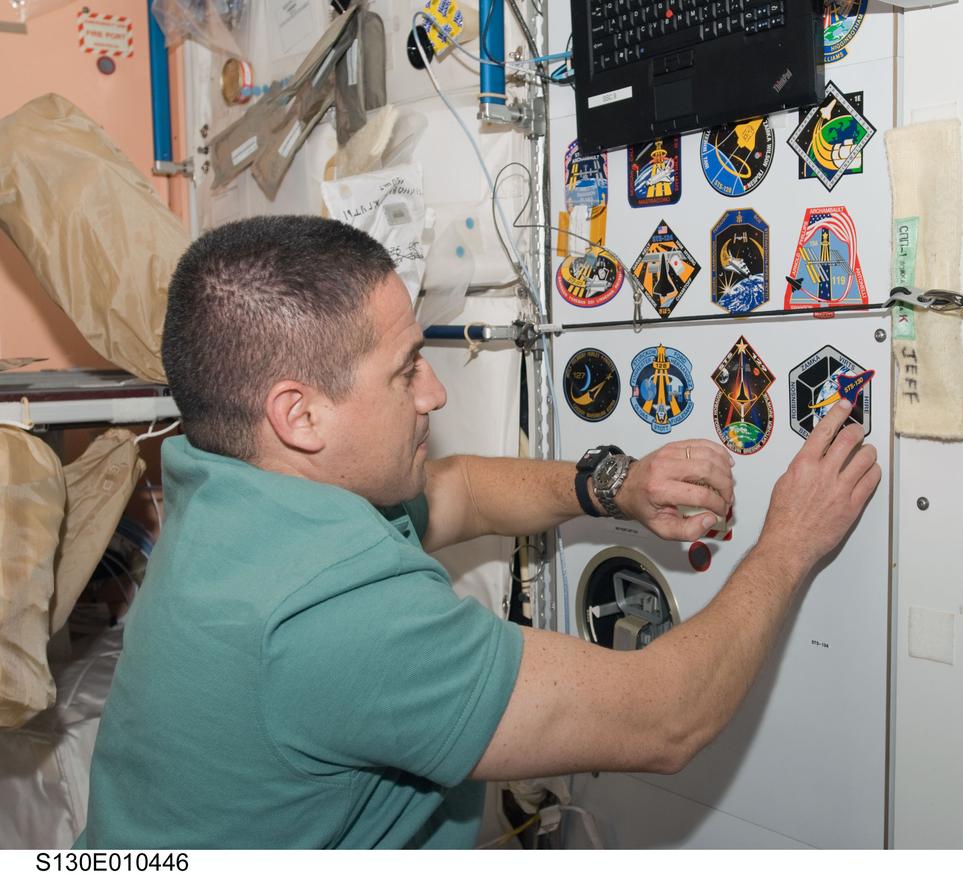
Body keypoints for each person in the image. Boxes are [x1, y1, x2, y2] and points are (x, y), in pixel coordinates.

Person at [80, 215, 880, 848]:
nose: (432, 393)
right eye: (404, 370)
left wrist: (615, 485)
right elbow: (666, 716)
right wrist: (789, 540)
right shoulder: (331, 616)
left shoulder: (228, 487)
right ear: (300, 414)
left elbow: (455, 491)